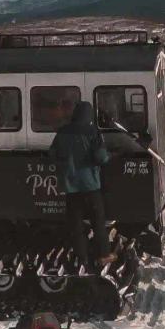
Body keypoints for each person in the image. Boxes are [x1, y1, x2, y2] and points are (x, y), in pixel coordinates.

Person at [51, 100, 112, 270]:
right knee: (98, 222)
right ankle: (104, 256)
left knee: (76, 226)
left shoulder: (62, 132)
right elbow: (101, 157)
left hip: (71, 187)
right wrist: (109, 158)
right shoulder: (93, 132)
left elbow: (52, 154)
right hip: (91, 186)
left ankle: (82, 259)